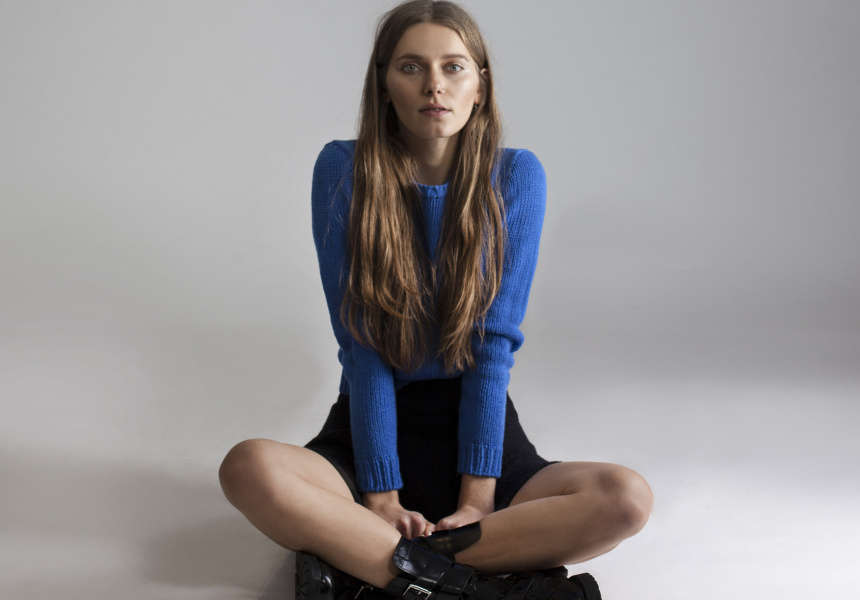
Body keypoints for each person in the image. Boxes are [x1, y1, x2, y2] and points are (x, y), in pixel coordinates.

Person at [219, 2, 653, 599]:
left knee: (625, 499)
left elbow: (491, 347)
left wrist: (478, 499)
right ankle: (478, 589)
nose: (434, 85)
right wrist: (380, 496)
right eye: (411, 66)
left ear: (481, 87)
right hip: (370, 423)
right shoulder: (343, 168)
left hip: (478, 429)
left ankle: (368, 567)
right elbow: (363, 344)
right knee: (248, 468)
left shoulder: (516, 176)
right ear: (383, 84)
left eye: (453, 67)